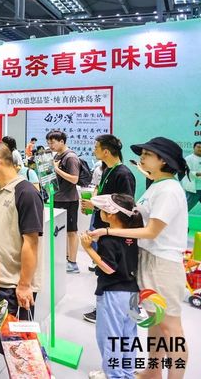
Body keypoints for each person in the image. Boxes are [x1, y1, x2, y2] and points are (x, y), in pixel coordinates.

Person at [89, 137, 190, 379]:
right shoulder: (158, 185)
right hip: (149, 260)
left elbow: (151, 231)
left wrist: (108, 231)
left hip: (162, 265)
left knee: (171, 329)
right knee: (156, 323)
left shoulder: (168, 190)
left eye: (147, 154)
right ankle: (153, 372)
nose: (141, 158)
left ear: (163, 160)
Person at [0, 142, 43, 350]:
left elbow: (31, 243)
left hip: (15, 286)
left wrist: (24, 285)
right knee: (4, 345)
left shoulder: (26, 192)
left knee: (18, 349)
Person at [80, 194, 142, 379]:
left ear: (112, 215)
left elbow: (108, 268)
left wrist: (88, 248)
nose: (99, 212)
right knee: (128, 335)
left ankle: (114, 375)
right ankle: (127, 373)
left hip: (114, 294)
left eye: (102, 210)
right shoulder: (133, 235)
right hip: (132, 293)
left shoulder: (108, 240)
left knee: (110, 337)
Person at [82, 134, 136, 323]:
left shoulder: (124, 174)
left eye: (96, 147)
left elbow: (125, 206)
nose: (93, 150)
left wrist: (96, 205)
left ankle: (109, 311)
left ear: (106, 151)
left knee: (111, 270)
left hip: (114, 231)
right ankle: (104, 307)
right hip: (104, 228)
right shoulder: (107, 170)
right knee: (103, 270)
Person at [46, 129, 82, 274]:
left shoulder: (70, 157)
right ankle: (65, 258)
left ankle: (73, 263)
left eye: (52, 142)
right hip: (58, 198)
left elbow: (74, 179)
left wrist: (56, 169)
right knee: (59, 231)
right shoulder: (57, 156)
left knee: (71, 232)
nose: (50, 145)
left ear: (62, 141)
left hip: (69, 200)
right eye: (48, 143)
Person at [182, 141, 201, 211]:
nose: (200, 149)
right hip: (194, 189)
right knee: (185, 208)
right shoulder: (188, 159)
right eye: (198, 147)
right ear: (193, 148)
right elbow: (186, 172)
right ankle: (175, 217)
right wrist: (198, 174)